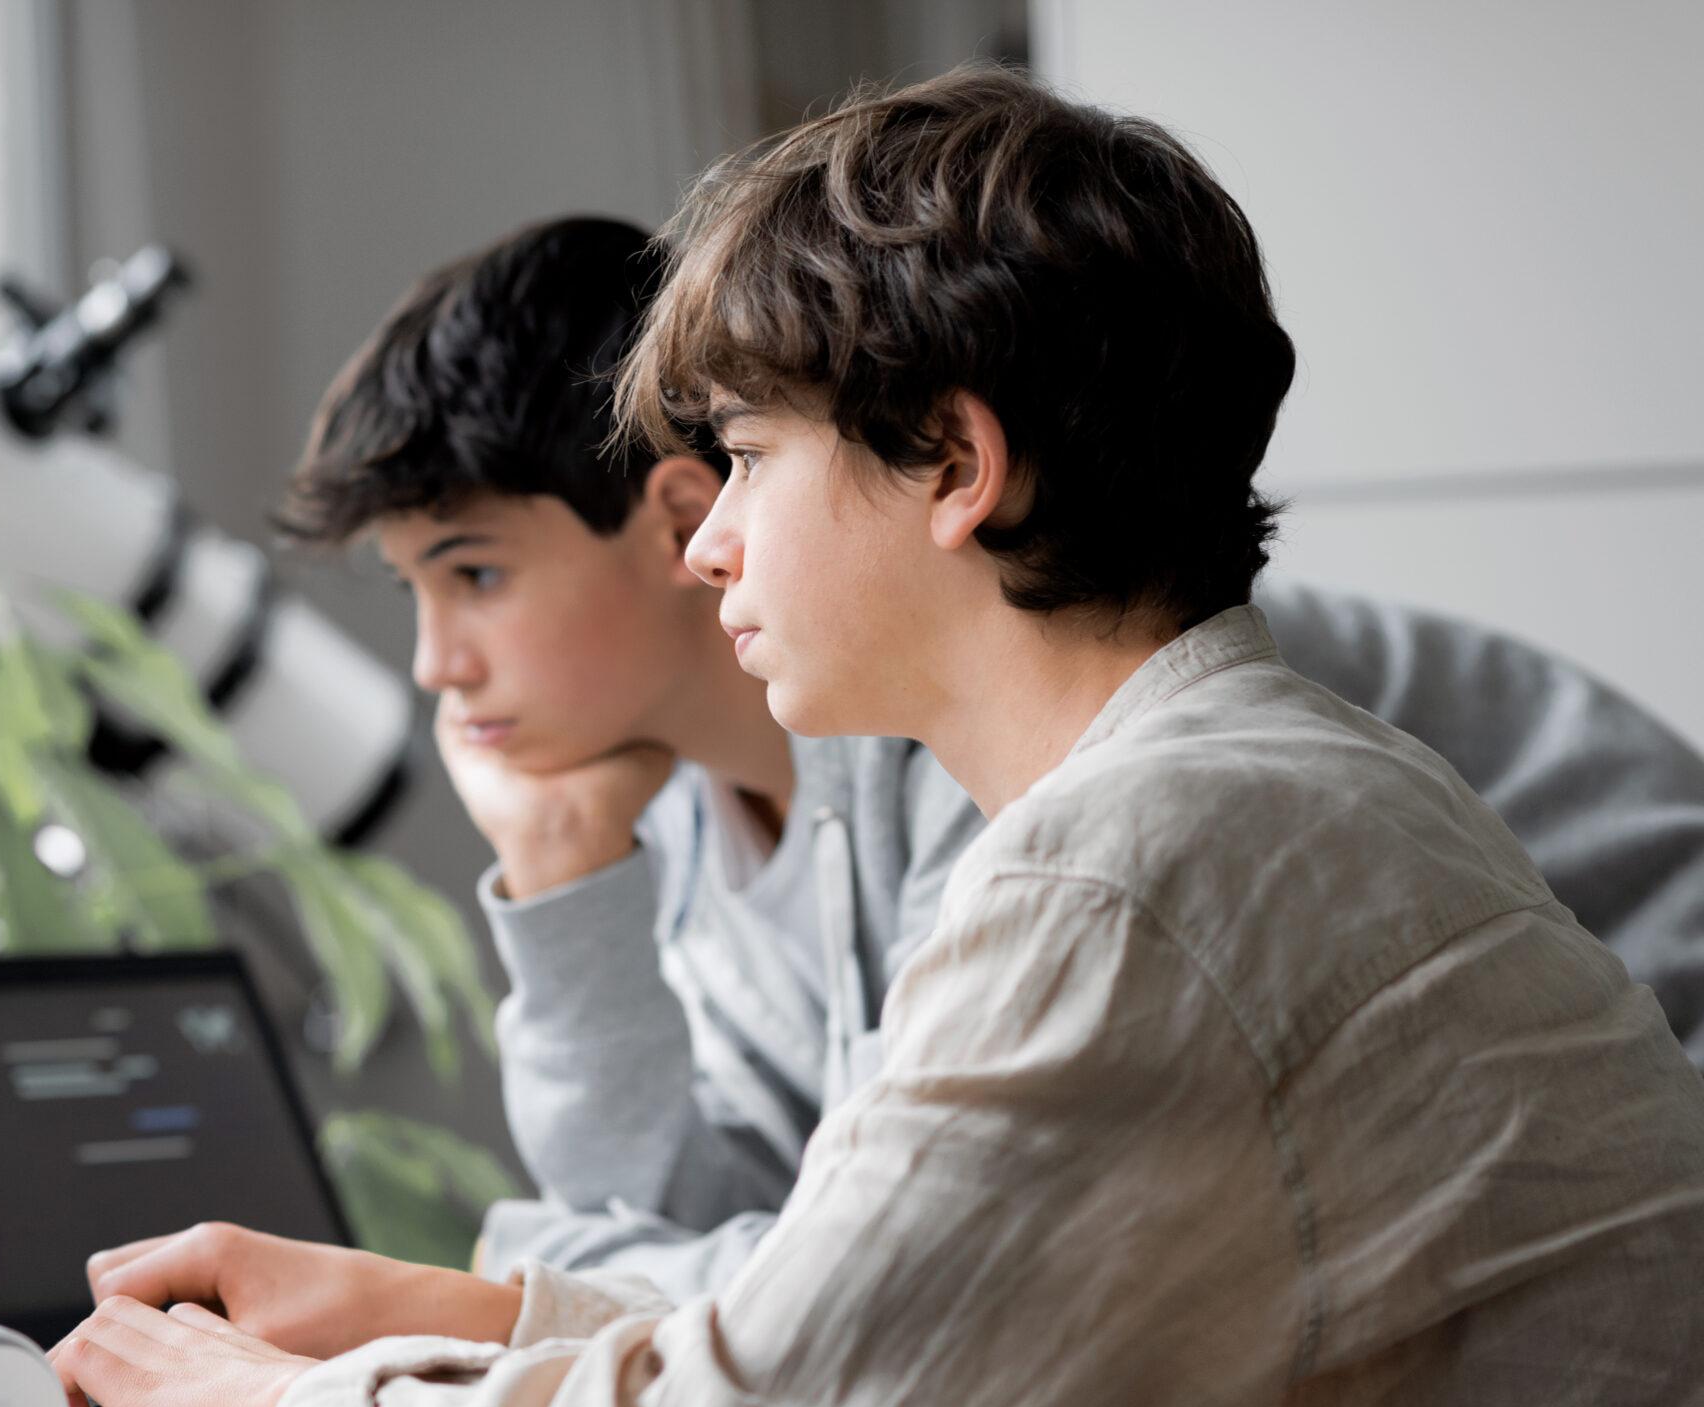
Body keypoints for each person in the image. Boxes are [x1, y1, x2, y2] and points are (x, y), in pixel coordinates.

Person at [52, 68, 1704, 1407]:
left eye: (751, 460)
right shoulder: (1219, 793)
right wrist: (435, 1305)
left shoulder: (1144, 869)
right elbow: (855, 1309)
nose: (705, 547)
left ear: (952, 465)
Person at [276, 214, 1704, 1306]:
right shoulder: (699, 803)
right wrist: (561, 872)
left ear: (673, 518)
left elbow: (884, 1284)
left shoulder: (1007, 694)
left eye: (469, 575)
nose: (435, 666)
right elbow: (742, 1220)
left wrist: (509, 1294)